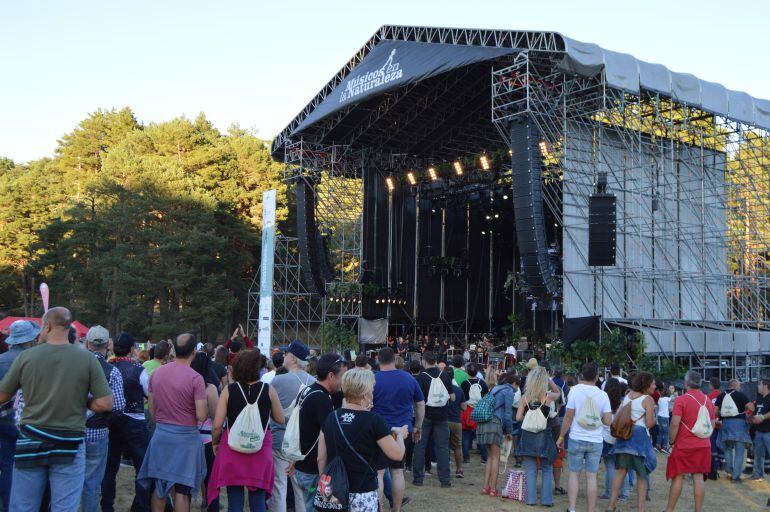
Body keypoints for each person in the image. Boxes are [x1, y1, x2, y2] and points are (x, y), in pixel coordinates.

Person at [0, 307, 113, 512]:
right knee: (64, 507)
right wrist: (85, 402)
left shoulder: (27, 357)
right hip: (68, 442)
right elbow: (105, 403)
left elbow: (2, 396)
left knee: (23, 506)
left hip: (31, 439)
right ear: (69, 326)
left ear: (48, 326)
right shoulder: (87, 358)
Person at [317, 368, 406, 512]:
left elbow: (321, 458)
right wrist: (399, 434)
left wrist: (325, 482)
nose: (373, 393)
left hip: (334, 491)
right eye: (372, 389)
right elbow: (397, 454)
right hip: (363, 492)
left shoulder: (331, 417)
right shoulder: (374, 421)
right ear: (365, 393)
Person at [137, 333, 208, 512]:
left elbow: (152, 410)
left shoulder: (157, 373)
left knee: (160, 489)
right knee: (182, 492)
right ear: (194, 352)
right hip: (186, 440)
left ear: (174, 350)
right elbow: (201, 415)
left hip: (162, 435)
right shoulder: (196, 378)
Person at [208, 349, 284, 511]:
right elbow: (280, 418)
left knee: (234, 497)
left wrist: (215, 442)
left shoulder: (229, 390)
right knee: (258, 498)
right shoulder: (268, 389)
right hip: (260, 446)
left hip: (232, 445)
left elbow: (217, 425)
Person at [99, 332, 152, 512]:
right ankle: (140, 507)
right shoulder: (138, 370)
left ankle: (107, 506)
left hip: (111, 421)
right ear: (131, 349)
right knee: (142, 467)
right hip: (135, 421)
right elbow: (149, 393)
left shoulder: (105, 368)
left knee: (109, 468)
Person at [292, 353, 346, 512]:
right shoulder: (322, 399)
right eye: (341, 376)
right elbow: (330, 435)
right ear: (331, 376)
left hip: (302, 463)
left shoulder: (307, 390)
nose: (342, 382)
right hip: (313, 468)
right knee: (316, 507)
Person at [372, 347, 424, 512]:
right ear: (394, 360)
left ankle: (378, 508)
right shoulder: (408, 378)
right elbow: (421, 404)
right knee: (398, 472)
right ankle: (396, 508)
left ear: (378, 360)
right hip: (402, 431)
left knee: (379, 473)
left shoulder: (373, 379)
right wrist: (418, 426)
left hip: (380, 431)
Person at [81, 326, 127, 512]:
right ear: (108, 345)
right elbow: (118, 406)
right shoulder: (112, 371)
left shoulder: (74, 366)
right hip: (97, 431)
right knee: (92, 483)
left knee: (65, 479)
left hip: (70, 430)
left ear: (87, 343)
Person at [557, 362, 612, 512]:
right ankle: (591, 509)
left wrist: (561, 437)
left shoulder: (574, 391)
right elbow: (608, 421)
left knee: (574, 474)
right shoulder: (603, 395)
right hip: (595, 440)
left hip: (576, 437)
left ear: (582, 374)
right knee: (591, 476)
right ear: (596, 376)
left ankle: (572, 508)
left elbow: (568, 416)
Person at [269, 340, 314, 512]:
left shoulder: (278, 381)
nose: (283, 357)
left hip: (280, 439)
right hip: (303, 443)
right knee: (301, 490)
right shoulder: (314, 382)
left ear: (293, 359)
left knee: (279, 487)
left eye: (286, 354)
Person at [0, 320, 39, 510]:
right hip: (26, 420)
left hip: (2, 420)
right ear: (30, 339)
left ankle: (7, 505)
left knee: (7, 466)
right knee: (27, 469)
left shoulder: (1, 359)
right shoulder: (33, 360)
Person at [664, 370, 715, 512]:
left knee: (678, 476)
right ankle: (698, 510)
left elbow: (674, 424)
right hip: (703, 444)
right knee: (698, 477)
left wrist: (671, 441)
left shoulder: (681, 400)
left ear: (686, 384)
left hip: (684, 445)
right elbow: (712, 423)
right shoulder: (708, 401)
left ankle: (670, 509)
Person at [607, 372, 657, 512]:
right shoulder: (648, 400)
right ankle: (640, 509)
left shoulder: (628, 395)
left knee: (621, 472)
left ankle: (611, 506)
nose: (654, 386)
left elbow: (620, 415)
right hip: (639, 438)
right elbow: (648, 423)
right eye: (652, 383)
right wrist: (655, 420)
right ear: (646, 384)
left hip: (624, 437)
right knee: (642, 474)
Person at [515, 366, 559, 507]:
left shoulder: (525, 397)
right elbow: (558, 392)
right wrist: (549, 379)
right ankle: (546, 501)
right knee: (547, 468)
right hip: (544, 436)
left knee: (530, 469)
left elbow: (518, 417)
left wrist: (530, 419)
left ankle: (531, 500)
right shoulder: (548, 396)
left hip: (528, 436)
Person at [411, 351, 454, 489]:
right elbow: (452, 397)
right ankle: (445, 480)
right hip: (442, 416)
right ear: (435, 361)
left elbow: (417, 400)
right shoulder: (445, 375)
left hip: (425, 416)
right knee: (443, 448)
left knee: (420, 446)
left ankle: (418, 478)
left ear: (424, 362)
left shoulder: (421, 378)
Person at [191, 352, 221, 511]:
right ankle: (211, 505)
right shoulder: (210, 388)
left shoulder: (186, 383)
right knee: (211, 477)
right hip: (208, 438)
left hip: (188, 435)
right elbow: (217, 416)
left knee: (188, 477)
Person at [479, 370, 516, 497]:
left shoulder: (495, 388)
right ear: (514, 383)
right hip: (495, 423)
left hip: (485, 423)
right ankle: (493, 489)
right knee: (496, 457)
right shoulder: (509, 390)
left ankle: (485, 487)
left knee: (490, 456)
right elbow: (507, 413)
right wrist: (509, 431)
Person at [715, 378, 754, 481]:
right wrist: (745, 411)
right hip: (739, 425)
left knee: (728, 449)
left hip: (726, 424)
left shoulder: (721, 395)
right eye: (739, 386)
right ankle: (736, 476)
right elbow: (751, 408)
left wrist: (724, 414)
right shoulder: (740, 395)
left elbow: (715, 412)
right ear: (735, 385)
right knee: (739, 451)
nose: (740, 387)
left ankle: (730, 472)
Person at [599, 378, 629, 502]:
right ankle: (624, 493)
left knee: (610, 467)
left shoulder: (603, 402)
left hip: (606, 439)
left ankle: (609, 492)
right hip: (621, 439)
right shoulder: (624, 403)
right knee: (622, 468)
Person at [460, 363, 488, 464]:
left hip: (467, 410)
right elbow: (486, 397)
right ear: (477, 372)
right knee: (481, 434)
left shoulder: (464, 383)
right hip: (480, 410)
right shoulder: (483, 383)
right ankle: (484, 458)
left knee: (466, 434)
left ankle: (466, 458)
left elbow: (461, 398)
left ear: (467, 371)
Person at [446, 368, 466, 479]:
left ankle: (445, 468)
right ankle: (459, 469)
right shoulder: (458, 390)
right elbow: (464, 407)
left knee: (444, 446)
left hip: (443, 421)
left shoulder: (441, 389)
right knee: (457, 447)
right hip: (456, 421)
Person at [750, 378, 770, 480]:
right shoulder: (759, 398)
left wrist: (762, 417)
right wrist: (752, 418)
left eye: (760, 385)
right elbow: (756, 413)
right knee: (758, 454)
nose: (758, 387)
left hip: (768, 432)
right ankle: (758, 474)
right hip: (759, 431)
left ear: (765, 386)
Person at [657, 387, 672, 453]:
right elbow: (674, 399)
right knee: (666, 432)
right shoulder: (668, 399)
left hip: (659, 416)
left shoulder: (660, 399)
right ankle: (665, 447)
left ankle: (658, 446)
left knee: (660, 432)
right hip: (665, 417)